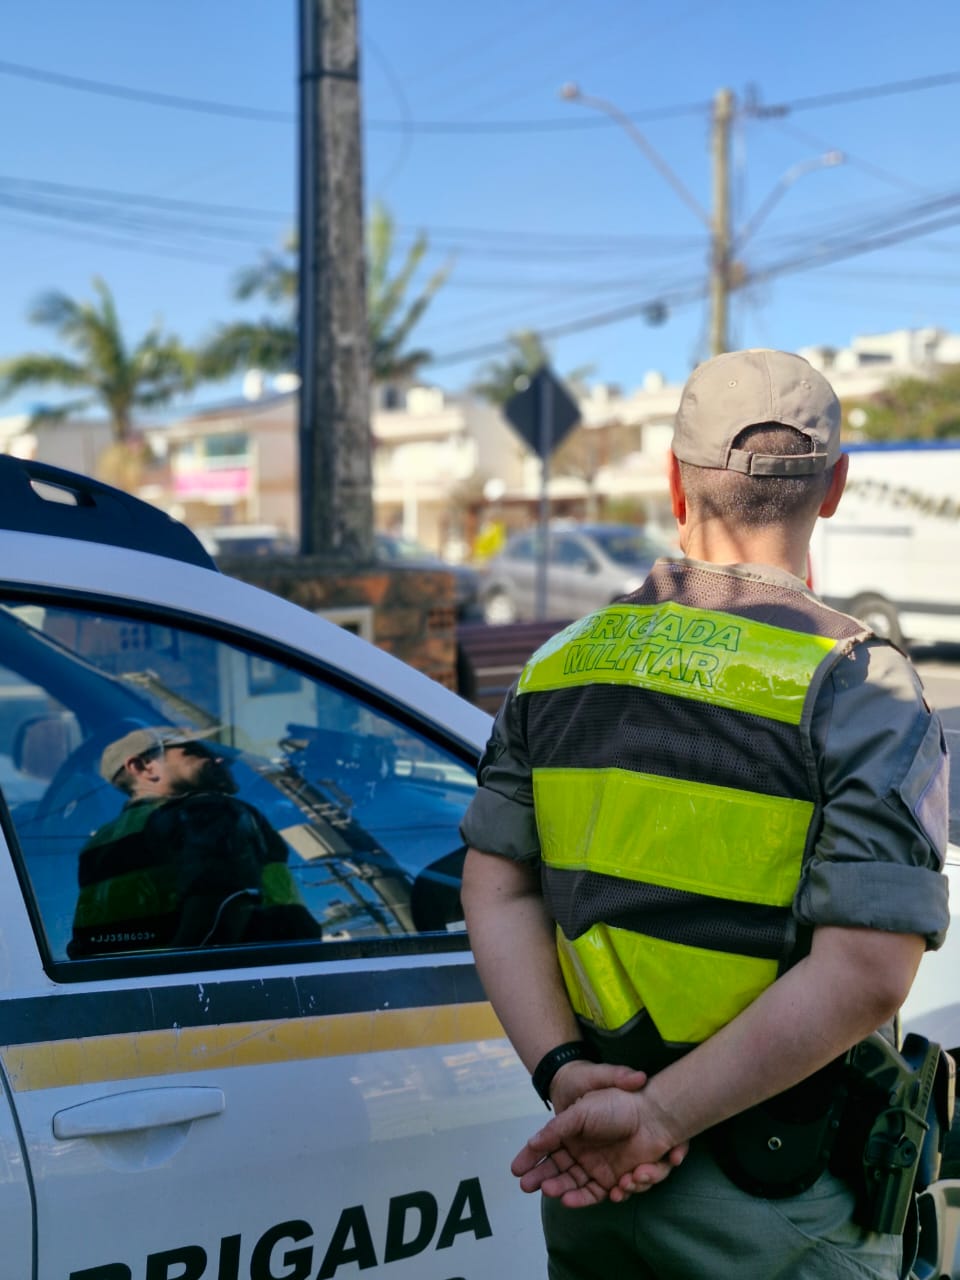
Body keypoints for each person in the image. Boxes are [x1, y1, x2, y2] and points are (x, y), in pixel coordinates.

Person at [460, 348, 950, 1280]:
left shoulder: (559, 664)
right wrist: (660, 1120)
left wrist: (567, 1075)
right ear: (835, 487)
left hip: (592, 1169)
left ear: (675, 486)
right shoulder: (860, 683)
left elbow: (495, 889)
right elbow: (867, 973)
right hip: (783, 1207)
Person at [69, 725, 322, 957]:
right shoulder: (209, 812)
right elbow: (221, 908)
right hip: (258, 982)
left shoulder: (98, 843)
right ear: (143, 766)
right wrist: (177, 974)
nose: (220, 759)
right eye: (195, 752)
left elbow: (88, 943)